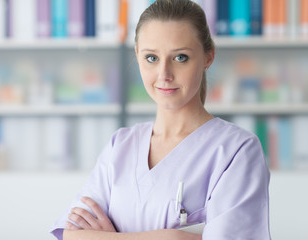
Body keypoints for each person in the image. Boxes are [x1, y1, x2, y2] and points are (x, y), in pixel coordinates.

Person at [50, 0, 271, 239]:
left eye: (180, 58)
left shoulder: (236, 150)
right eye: (152, 58)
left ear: (208, 56)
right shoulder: (121, 144)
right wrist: (171, 236)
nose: (164, 75)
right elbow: (72, 233)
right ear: (137, 56)